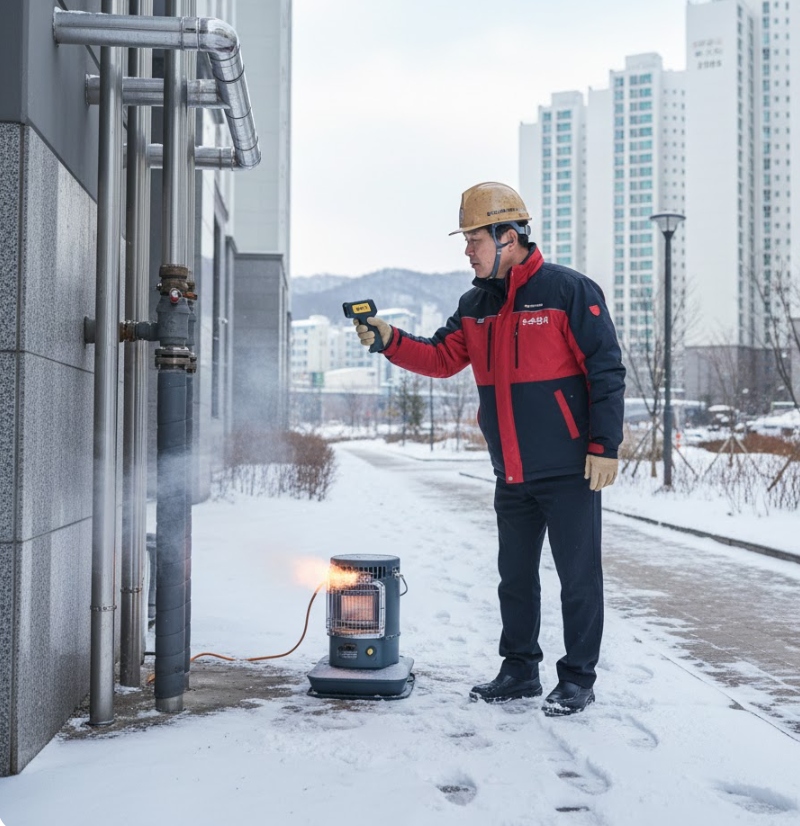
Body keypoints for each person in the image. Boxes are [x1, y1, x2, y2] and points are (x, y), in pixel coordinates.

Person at [354, 182, 625, 716]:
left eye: (474, 239)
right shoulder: (475, 305)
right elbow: (440, 357)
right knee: (515, 579)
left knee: (578, 580)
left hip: (570, 468)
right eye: (466, 240)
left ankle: (577, 678)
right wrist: (389, 339)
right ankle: (520, 670)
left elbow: (606, 370)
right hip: (512, 472)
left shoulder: (568, 291)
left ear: (508, 236)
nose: (467, 250)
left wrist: (604, 445)